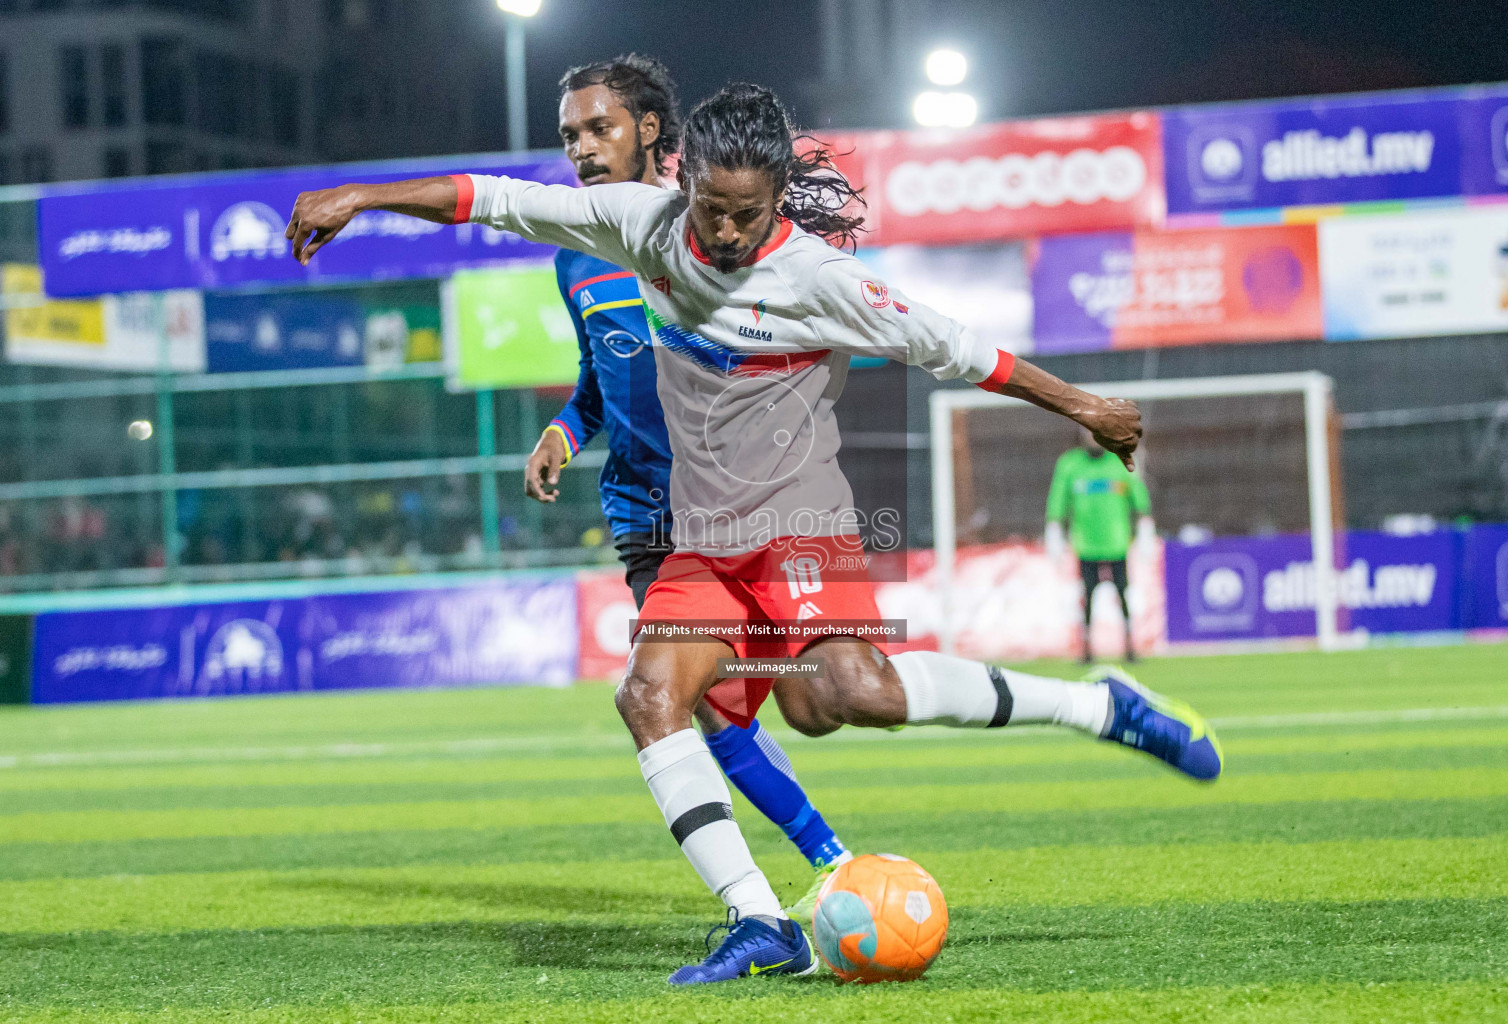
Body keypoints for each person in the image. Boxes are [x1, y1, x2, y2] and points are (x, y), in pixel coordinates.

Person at [287, 82, 1224, 987]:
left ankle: (1100, 706)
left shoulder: (820, 278)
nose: (722, 234)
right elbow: (491, 200)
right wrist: (361, 196)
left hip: (801, 521)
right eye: (709, 211)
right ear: (686, 183)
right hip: (703, 533)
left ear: (778, 199)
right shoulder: (641, 224)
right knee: (653, 697)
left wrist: (1086, 406)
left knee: (847, 695)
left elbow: (961, 348)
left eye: (744, 215)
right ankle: (760, 919)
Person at [522, 55, 854, 922]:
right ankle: (818, 873)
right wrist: (564, 430)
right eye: (569, 137)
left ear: (652, 131)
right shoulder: (577, 256)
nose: (583, 149)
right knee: (693, 700)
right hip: (648, 513)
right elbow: (600, 377)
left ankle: (825, 869)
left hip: (745, 502)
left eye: (599, 129)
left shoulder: (711, 229)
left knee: (821, 696)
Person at [1046, 428, 1154, 664]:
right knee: (1087, 598)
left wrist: (1145, 524)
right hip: (1086, 545)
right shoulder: (1069, 464)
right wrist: (1053, 527)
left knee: (1123, 595)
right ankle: (1085, 649)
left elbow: (1138, 494)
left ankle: (1130, 646)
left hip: (1116, 543)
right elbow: (1058, 498)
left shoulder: (1121, 461)